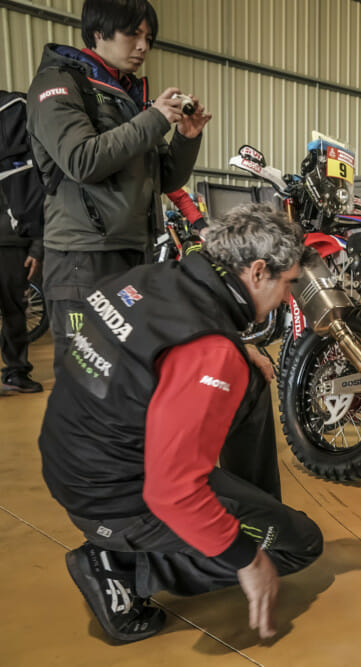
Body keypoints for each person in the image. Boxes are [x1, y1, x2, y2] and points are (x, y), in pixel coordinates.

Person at [38, 204, 322, 643]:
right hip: (117, 499)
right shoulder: (211, 351)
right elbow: (171, 492)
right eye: (288, 284)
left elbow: (146, 350)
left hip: (74, 460)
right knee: (300, 544)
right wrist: (247, 558)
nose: (288, 298)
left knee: (249, 378)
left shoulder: (153, 278)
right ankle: (122, 569)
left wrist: (233, 351)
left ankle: (249, 508)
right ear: (259, 271)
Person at [26, 0, 210, 365]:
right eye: (133, 34)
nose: (143, 46)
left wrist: (187, 138)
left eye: (149, 37)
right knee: (85, 382)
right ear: (98, 31)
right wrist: (154, 118)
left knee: (127, 375)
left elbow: (166, 179)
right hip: (84, 260)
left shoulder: (127, 96)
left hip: (134, 257)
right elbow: (81, 160)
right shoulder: (58, 84)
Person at [0, 188, 43, 393]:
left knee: (15, 314)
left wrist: (37, 247)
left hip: (15, 244)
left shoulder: (25, 156)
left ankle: (16, 372)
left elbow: (38, 199)